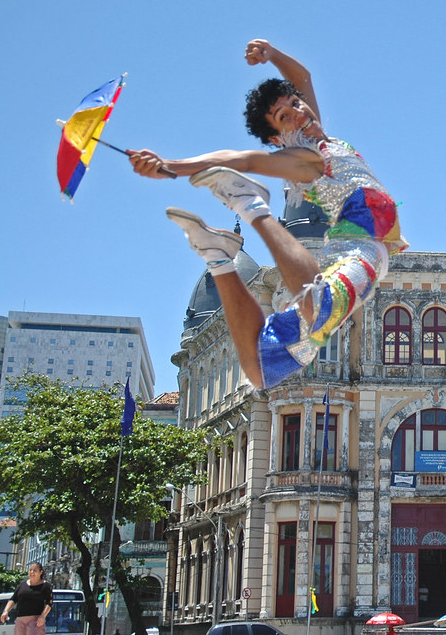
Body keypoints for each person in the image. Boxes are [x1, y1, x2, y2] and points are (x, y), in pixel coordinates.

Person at [130, 40, 407, 390]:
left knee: (262, 369)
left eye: (296, 103)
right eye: (285, 117)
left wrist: (273, 55)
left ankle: (219, 257)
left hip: (341, 257)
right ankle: (253, 207)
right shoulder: (302, 156)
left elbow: (302, 76)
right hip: (363, 249)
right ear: (278, 137)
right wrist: (172, 166)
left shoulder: (316, 134)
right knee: (319, 307)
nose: (299, 114)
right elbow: (240, 159)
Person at [0, 562, 53, 635]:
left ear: (41, 572)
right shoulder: (22, 585)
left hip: (35, 620)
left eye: (35, 570)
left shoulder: (45, 586)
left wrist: (43, 616)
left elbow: (49, 602)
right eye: (30, 570)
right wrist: (6, 611)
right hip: (20, 620)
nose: (32, 572)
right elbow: (13, 599)